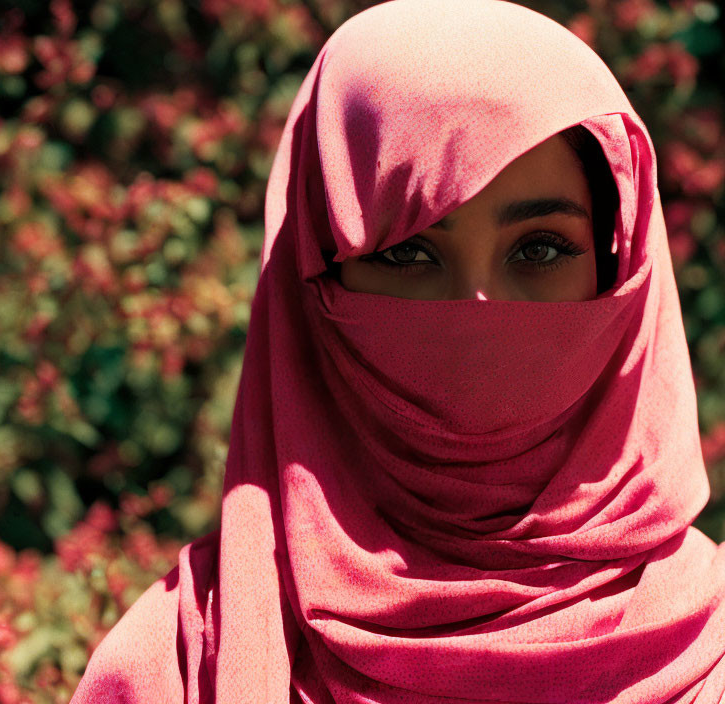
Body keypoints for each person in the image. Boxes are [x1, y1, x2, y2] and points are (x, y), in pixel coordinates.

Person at [70, 0, 725, 701]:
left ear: (619, 269)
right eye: (407, 251)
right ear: (316, 280)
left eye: (540, 248)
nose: (478, 310)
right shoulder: (176, 666)